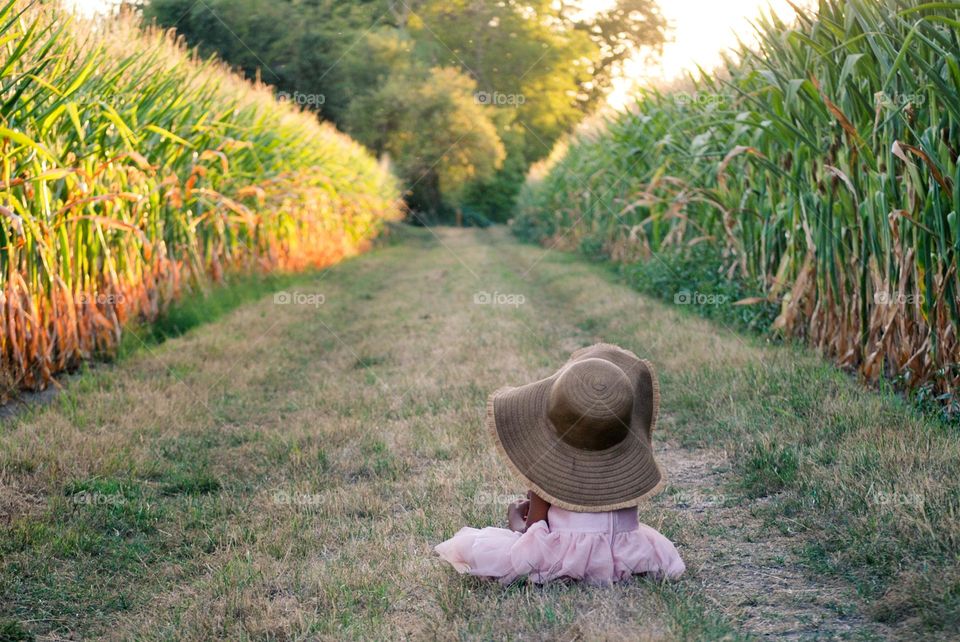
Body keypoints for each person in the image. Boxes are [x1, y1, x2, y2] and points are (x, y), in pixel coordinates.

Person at [435, 343, 685, 585]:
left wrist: (515, 518)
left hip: (563, 557)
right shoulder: (626, 476)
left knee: (484, 548)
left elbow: (532, 534)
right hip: (626, 554)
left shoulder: (547, 474)